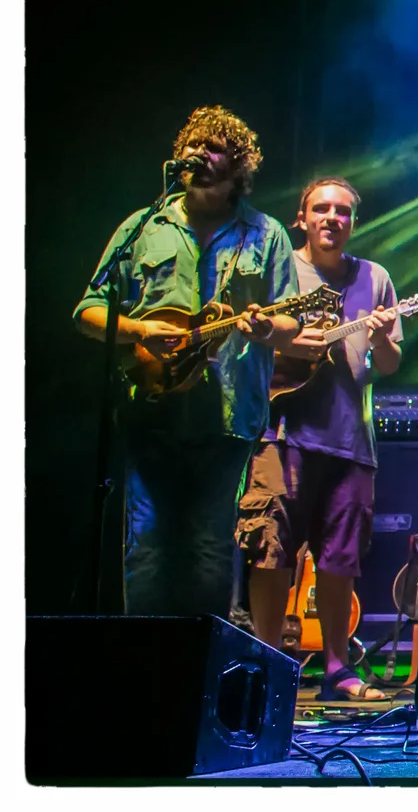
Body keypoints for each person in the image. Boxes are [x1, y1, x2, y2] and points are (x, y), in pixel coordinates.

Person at [75, 106, 302, 616]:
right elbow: (87, 312)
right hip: (150, 410)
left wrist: (267, 328)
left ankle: (199, 660)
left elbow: (293, 322)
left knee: (209, 548)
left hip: (227, 418)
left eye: (214, 148)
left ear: (239, 166)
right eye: (193, 145)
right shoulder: (144, 227)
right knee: (146, 546)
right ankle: (142, 660)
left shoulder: (266, 234)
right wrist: (139, 331)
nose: (199, 154)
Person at [240, 177, 401, 700]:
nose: (332, 218)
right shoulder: (279, 268)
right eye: (321, 209)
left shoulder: (375, 278)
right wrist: (286, 341)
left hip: (350, 440)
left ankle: (337, 668)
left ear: (354, 221)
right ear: (301, 218)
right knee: (272, 550)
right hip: (282, 433)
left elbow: (389, 363)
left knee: (340, 558)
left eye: (343, 211)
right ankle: (267, 667)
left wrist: (381, 338)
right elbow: (244, 338)